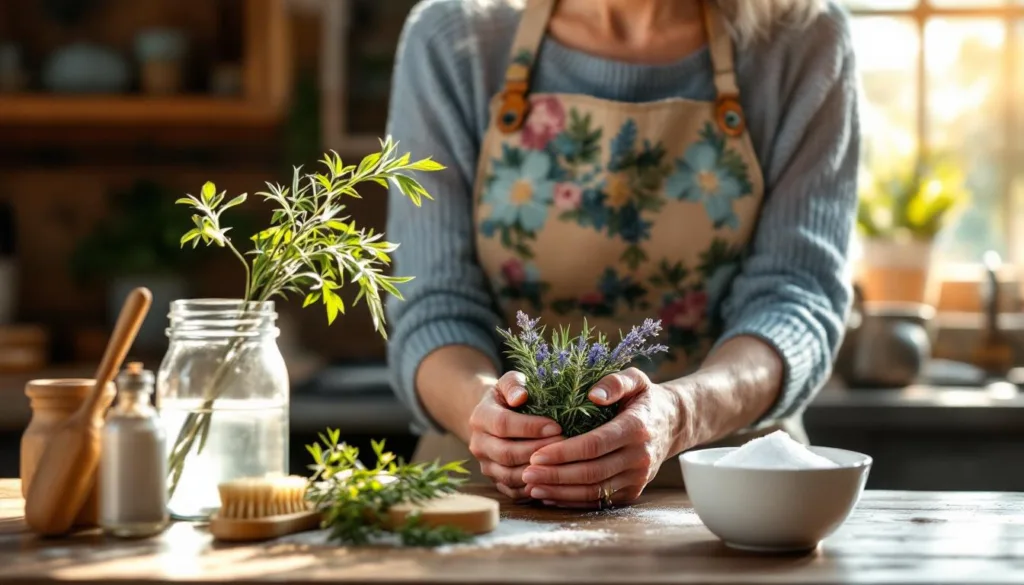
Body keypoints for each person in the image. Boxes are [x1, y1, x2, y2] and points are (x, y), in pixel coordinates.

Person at [384, 0, 859, 509]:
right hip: (490, 494)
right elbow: (433, 303)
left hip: (731, 497)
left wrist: (682, 414)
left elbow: (795, 297)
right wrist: (488, 418)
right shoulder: (457, 39)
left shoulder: (799, 37)